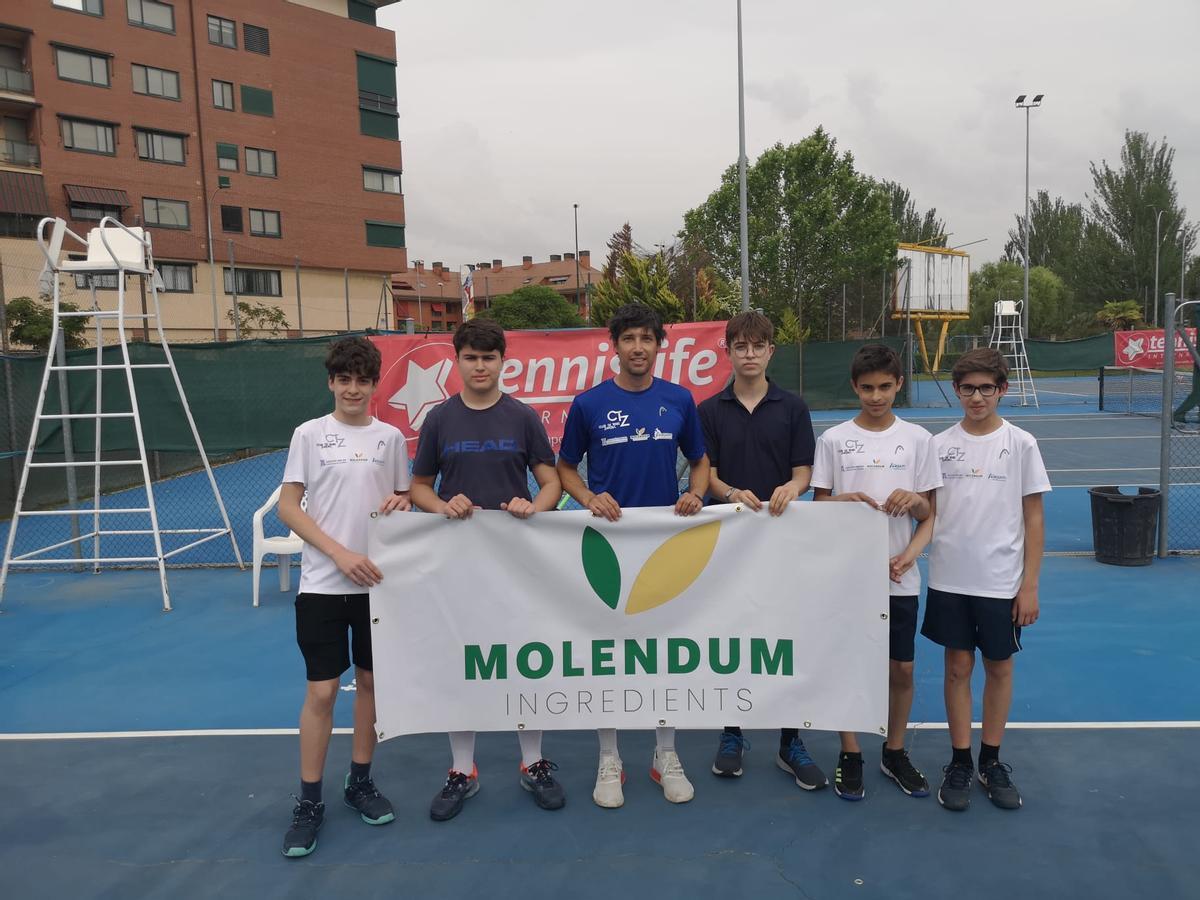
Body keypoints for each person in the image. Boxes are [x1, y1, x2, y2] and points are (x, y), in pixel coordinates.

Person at [410, 319, 566, 821]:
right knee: (465, 658)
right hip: (457, 562)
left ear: (503, 361)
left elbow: (550, 483)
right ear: (457, 361)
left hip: (516, 562)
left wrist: (533, 507)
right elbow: (419, 487)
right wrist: (441, 506)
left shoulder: (522, 417)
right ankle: (462, 769)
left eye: (489, 357)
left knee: (525, 657)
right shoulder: (439, 420)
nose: (480, 366)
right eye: (471, 357)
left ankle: (533, 762)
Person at [557, 303, 710, 808]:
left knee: (663, 653)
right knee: (610, 655)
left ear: (659, 345)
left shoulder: (679, 399)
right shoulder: (589, 404)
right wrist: (586, 499)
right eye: (629, 339)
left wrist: (698, 495)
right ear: (614, 345)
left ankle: (665, 754)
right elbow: (566, 469)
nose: (638, 348)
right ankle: (609, 757)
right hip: (607, 547)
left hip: (663, 547)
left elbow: (700, 461)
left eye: (647, 338)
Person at [278, 336, 411, 858]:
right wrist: (338, 553)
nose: (353, 389)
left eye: (363, 380)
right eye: (344, 380)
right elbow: (290, 507)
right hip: (324, 584)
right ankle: (309, 800)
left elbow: (402, 498)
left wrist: (401, 506)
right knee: (322, 693)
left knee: (371, 686)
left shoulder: (392, 438)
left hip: (378, 587)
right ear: (331, 382)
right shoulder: (309, 436)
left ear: (375, 385)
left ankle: (360, 782)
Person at [698, 310, 828, 792]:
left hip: (781, 542)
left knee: (783, 637)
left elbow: (802, 471)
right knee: (734, 635)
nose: (749, 354)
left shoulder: (792, 408)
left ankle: (790, 740)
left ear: (771, 351)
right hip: (728, 544)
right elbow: (704, 473)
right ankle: (732, 731)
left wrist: (793, 490)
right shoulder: (709, 411)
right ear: (728, 352)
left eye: (758, 346)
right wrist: (731, 492)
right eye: (741, 346)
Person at [811, 343, 941, 801]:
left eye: (885, 387)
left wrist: (910, 550)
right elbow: (819, 507)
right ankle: (850, 751)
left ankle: (895, 749)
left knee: (900, 669)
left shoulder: (919, 439)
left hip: (897, 576)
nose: (876, 396)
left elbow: (930, 514)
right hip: (848, 578)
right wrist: (839, 502)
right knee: (848, 665)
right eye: (867, 388)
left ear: (898, 385)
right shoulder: (833, 440)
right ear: (854, 387)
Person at [922, 347, 1049, 811]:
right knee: (957, 668)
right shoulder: (939, 446)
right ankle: (959, 759)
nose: (977, 397)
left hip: (1001, 583)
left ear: (1002, 391)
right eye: (968, 388)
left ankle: (990, 760)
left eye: (986, 388)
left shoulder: (1021, 444)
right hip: (950, 580)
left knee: (999, 668)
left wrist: (1029, 583)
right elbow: (929, 515)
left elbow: (1033, 518)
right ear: (957, 391)